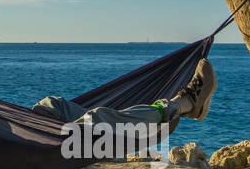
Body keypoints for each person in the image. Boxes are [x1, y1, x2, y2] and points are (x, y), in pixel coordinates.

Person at [32, 58, 217, 158]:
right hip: (31, 150)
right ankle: (184, 104)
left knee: (51, 105)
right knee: (94, 121)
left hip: (29, 131)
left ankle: (121, 127)